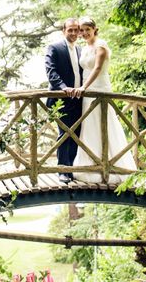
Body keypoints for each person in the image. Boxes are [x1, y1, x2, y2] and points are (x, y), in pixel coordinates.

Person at [71, 17, 137, 183]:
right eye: (82, 30)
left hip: (98, 88)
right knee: (90, 125)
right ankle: (91, 165)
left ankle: (114, 166)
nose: (84, 33)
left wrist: (83, 87)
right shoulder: (84, 48)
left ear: (95, 29)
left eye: (87, 29)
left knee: (104, 124)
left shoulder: (101, 45)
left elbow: (98, 68)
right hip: (86, 92)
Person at [45, 17, 83, 183]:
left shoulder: (81, 50)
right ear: (64, 31)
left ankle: (72, 169)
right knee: (64, 134)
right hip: (61, 98)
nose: (73, 33)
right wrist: (63, 87)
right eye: (70, 30)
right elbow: (50, 71)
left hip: (79, 100)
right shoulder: (54, 47)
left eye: (76, 30)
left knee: (76, 134)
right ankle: (62, 169)